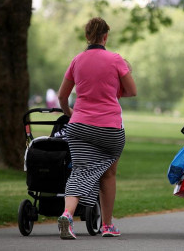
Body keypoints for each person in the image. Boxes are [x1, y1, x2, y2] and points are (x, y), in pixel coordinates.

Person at [56, 17, 137, 239]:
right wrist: (113, 91)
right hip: (109, 128)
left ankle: (67, 214)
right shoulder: (116, 59)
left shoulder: (77, 60)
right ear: (105, 37)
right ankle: (108, 226)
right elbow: (132, 91)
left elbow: (63, 95)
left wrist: (69, 113)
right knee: (109, 175)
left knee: (80, 170)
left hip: (79, 125)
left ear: (86, 36)